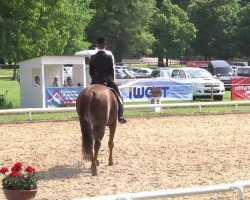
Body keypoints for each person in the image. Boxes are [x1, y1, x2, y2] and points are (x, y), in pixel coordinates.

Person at [89, 37, 127, 123]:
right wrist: (111, 80)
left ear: (97, 46)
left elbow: (90, 71)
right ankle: (120, 116)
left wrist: (95, 79)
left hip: (95, 81)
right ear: (104, 46)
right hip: (107, 80)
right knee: (119, 96)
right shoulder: (109, 57)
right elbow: (111, 70)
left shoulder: (93, 57)